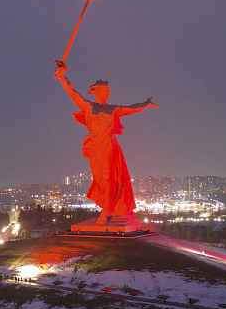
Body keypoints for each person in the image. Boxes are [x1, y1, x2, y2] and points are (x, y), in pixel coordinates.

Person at [55, 63, 159, 225]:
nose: (109, 92)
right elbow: (72, 91)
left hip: (109, 145)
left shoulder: (113, 109)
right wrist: (61, 75)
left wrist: (146, 104)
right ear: (99, 91)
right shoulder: (88, 106)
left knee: (109, 177)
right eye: (107, 90)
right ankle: (109, 205)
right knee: (100, 179)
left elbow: (132, 108)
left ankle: (107, 210)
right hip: (94, 146)